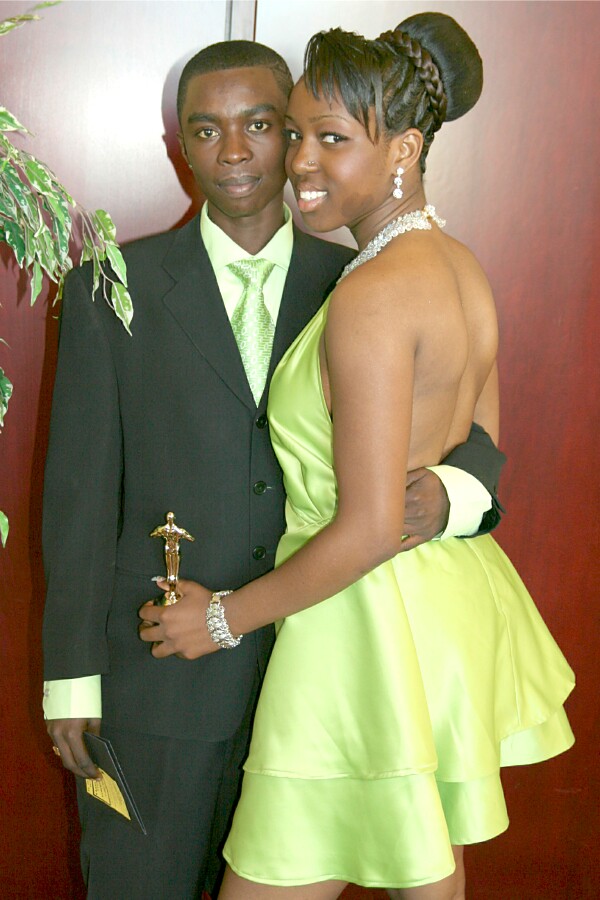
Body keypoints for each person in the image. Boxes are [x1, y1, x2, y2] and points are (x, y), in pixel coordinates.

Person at [43, 38, 505, 900]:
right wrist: (70, 678)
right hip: (158, 678)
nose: (237, 151)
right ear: (179, 145)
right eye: (205, 129)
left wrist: (449, 494)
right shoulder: (111, 285)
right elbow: (77, 497)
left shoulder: (358, 275)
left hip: (317, 671)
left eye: (263, 125)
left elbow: (467, 427)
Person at [140, 16, 575, 900]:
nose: (299, 161)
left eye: (332, 139)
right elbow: (481, 456)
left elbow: (371, 526)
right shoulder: (458, 266)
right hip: (445, 608)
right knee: (428, 870)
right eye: (298, 133)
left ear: (404, 149)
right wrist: (442, 498)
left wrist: (219, 620)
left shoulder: (372, 293)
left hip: (363, 626)